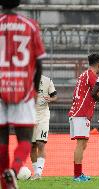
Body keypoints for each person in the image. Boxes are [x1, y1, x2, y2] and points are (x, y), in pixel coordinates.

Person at [0, 0, 45, 188]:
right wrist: (34, 89)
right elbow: (39, 63)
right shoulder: (30, 25)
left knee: (1, 139)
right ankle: (15, 168)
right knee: (25, 139)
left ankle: (4, 180)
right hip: (24, 90)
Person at [68, 53, 99, 182]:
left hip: (78, 112)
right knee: (80, 144)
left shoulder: (84, 74)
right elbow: (98, 92)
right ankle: (77, 175)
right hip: (81, 113)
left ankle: (79, 173)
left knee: (83, 144)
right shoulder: (91, 75)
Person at [30, 75, 57, 180]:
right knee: (32, 146)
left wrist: (50, 99)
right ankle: (35, 172)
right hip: (29, 115)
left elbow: (55, 96)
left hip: (43, 116)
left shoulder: (47, 80)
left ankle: (38, 173)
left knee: (40, 143)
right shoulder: (25, 79)